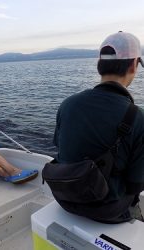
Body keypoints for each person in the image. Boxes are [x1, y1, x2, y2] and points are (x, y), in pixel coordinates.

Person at [52, 31, 144, 223]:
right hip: (109, 211)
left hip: (64, 199)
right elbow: (136, 184)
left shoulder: (68, 104)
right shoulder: (136, 117)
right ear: (134, 64)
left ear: (99, 65)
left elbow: (60, 149)